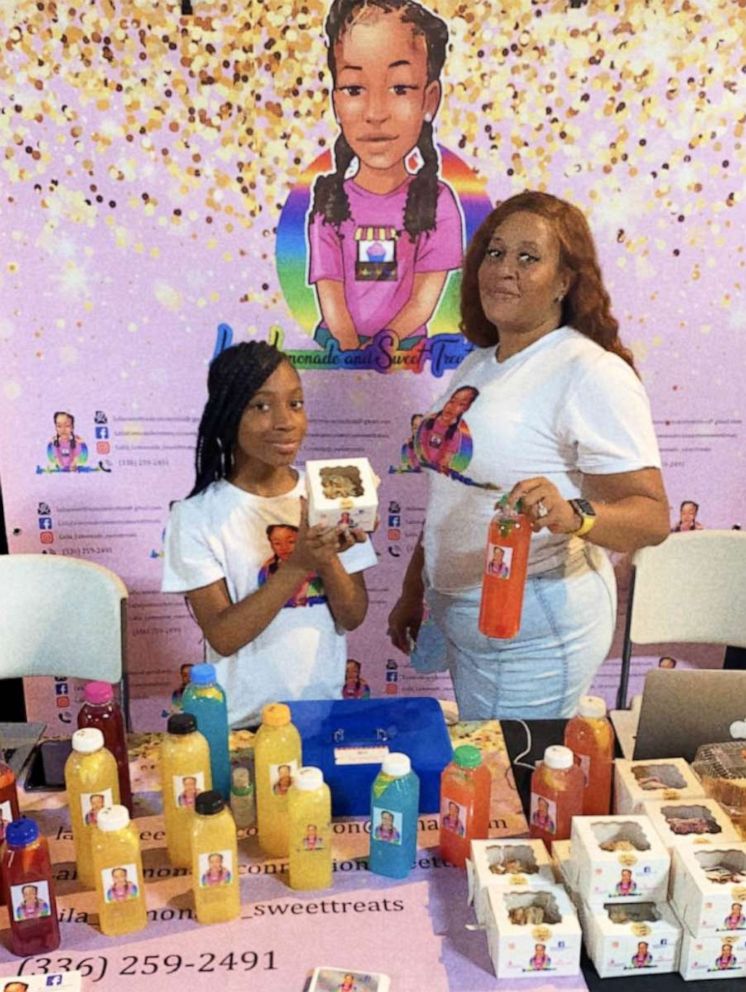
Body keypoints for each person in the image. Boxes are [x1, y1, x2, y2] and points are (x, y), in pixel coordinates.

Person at [388, 191, 669, 720]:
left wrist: (573, 514)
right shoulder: (477, 364)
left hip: (534, 628)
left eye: (528, 257)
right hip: (469, 619)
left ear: (565, 281)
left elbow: (651, 517)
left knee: (516, 786)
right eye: (495, 253)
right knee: (493, 775)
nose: (504, 270)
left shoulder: (589, 372)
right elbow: (458, 488)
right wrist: (415, 587)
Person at [161, 342, 376, 727]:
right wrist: (298, 566)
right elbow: (224, 636)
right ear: (228, 416)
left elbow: (353, 614)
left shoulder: (329, 492)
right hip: (243, 725)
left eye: (295, 403)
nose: (285, 421)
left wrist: (326, 558)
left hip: (321, 716)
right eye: (261, 406)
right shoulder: (194, 517)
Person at [308, 0, 463, 351]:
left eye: (399, 88)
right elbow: (330, 298)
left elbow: (423, 301)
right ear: (336, 104)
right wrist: (351, 349)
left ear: (429, 99)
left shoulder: (439, 203)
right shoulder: (329, 203)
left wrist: (386, 344)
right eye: (354, 89)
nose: (375, 113)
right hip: (334, 350)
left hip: (403, 354)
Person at [414, 386, 480, 475]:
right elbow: (421, 442)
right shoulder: (429, 422)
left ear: (466, 409)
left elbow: (447, 458)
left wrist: (442, 465)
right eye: (452, 401)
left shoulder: (455, 434)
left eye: (461, 404)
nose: (453, 406)